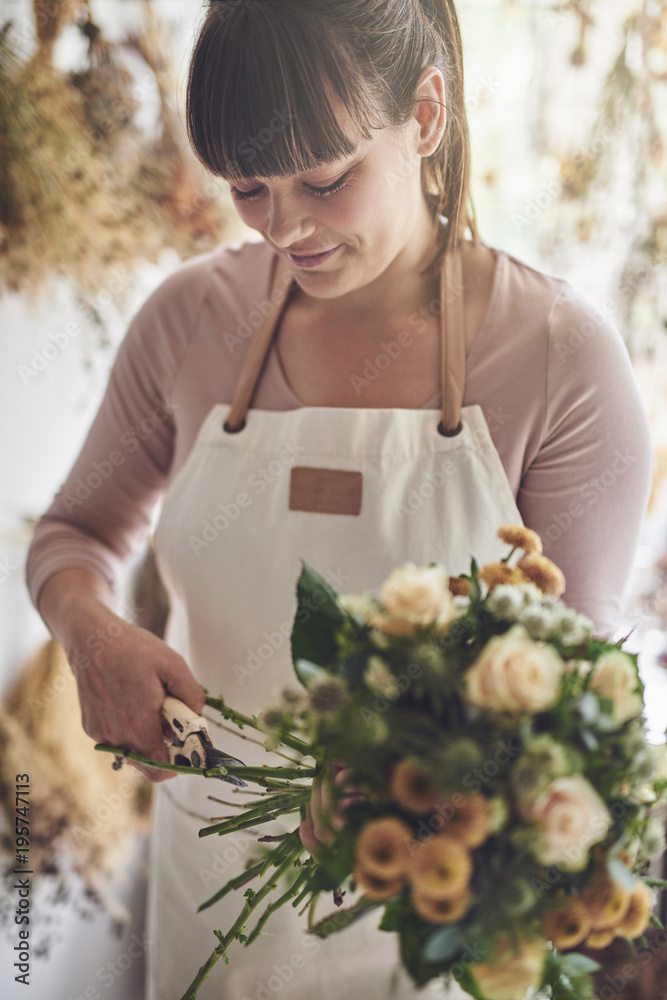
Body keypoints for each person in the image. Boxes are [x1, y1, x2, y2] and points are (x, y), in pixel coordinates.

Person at [25, 1, 653, 998]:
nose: (285, 229)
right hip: (212, 914)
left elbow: (580, 709)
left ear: (427, 114)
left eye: (325, 180)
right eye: (247, 188)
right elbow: (75, 534)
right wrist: (89, 632)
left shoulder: (560, 359)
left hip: (435, 935)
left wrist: (440, 782)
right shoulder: (191, 321)